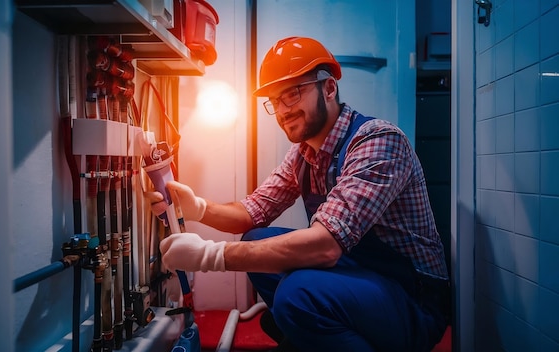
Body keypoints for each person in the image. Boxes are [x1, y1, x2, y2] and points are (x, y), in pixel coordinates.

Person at [151, 36, 450, 352]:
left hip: (412, 300)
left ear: (329, 88)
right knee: (256, 239)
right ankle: (316, 331)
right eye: (275, 101)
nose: (282, 111)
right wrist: (196, 207)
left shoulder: (377, 142)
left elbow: (324, 247)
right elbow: (250, 212)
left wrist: (211, 256)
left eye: (292, 94)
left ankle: (317, 326)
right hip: (362, 277)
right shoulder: (304, 154)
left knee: (297, 294)